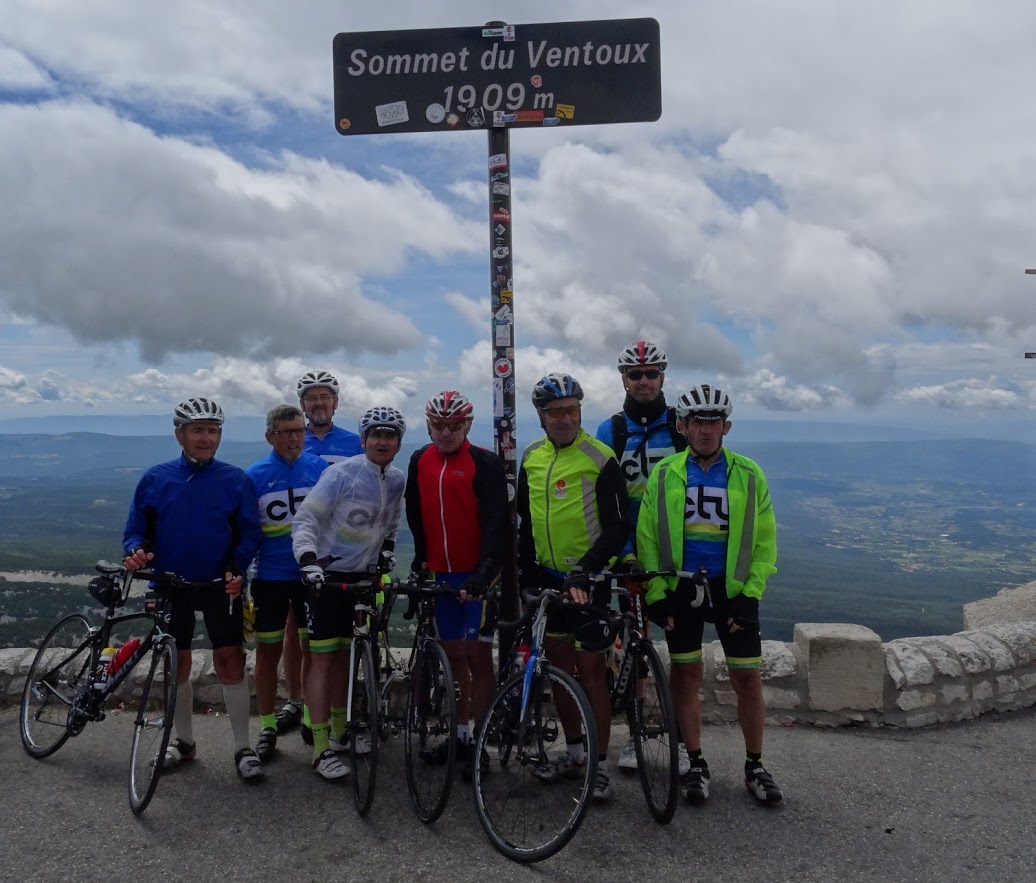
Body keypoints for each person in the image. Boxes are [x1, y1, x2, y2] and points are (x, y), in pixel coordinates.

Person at [636, 384, 783, 806]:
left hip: (731, 591)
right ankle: (695, 763)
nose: (705, 429)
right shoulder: (665, 474)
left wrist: (749, 593)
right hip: (680, 587)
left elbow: (764, 542)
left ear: (727, 426)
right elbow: (648, 537)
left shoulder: (749, 474)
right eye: (697, 421)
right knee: (686, 675)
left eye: (713, 421)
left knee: (748, 679)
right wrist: (658, 593)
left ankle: (755, 765)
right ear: (682, 427)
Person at [122, 397, 263, 780]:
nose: (206, 438)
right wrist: (134, 551)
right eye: (197, 430)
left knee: (230, 659)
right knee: (177, 662)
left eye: (213, 431)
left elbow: (249, 533)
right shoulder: (156, 478)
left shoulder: (236, 479)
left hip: (221, 584)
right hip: (171, 584)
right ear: (179, 434)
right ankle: (183, 742)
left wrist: (237, 567)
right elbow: (136, 530)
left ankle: (241, 747)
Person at [516, 373, 629, 801]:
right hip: (549, 581)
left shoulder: (599, 458)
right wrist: (525, 574)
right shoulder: (530, 457)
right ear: (541, 416)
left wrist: (587, 569)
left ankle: (598, 766)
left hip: (589, 581)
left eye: (572, 410)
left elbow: (618, 526)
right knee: (559, 673)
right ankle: (576, 753)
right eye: (556, 412)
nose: (565, 419)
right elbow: (525, 525)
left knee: (592, 674)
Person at [291, 406, 407, 780]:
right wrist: (308, 560)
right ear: (363, 440)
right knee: (324, 660)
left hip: (363, 579)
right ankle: (321, 747)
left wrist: (386, 554)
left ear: (398, 442)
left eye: (390, 436)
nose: (383, 441)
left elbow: (391, 523)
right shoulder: (340, 473)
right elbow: (307, 518)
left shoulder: (396, 479)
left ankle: (341, 732)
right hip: (327, 577)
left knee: (347, 658)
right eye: (376, 435)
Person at [595, 339, 689, 774]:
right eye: (636, 375)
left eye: (652, 373)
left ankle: (685, 743)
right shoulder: (610, 432)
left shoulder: (681, 427)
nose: (645, 381)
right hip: (629, 557)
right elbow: (605, 502)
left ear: (663, 377)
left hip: (675, 556)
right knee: (634, 648)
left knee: (685, 656)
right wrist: (623, 552)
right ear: (624, 380)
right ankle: (637, 737)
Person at [405, 391, 507, 779]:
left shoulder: (485, 462)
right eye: (438, 426)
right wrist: (419, 562)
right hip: (442, 575)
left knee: (477, 657)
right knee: (453, 659)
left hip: (478, 575)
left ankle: (482, 742)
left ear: (467, 425)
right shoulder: (420, 461)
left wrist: (483, 574)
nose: (445, 433)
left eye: (454, 426)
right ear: (429, 425)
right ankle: (460, 736)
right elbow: (415, 516)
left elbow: (496, 523)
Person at [277, 370, 363, 741]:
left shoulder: (354, 442)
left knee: (331, 635)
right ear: (302, 406)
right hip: (299, 547)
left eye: (324, 397)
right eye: (310, 398)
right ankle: (296, 700)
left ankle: (331, 706)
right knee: (294, 631)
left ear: (335, 403)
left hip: (341, 550)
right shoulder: (294, 438)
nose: (317, 403)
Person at [245, 404, 329, 763]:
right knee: (268, 652)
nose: (294, 438)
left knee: (313, 650)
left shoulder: (320, 469)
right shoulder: (255, 476)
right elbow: (247, 532)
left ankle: (311, 717)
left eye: (299, 431)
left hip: (312, 575)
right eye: (286, 432)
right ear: (270, 437)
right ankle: (266, 726)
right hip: (271, 576)